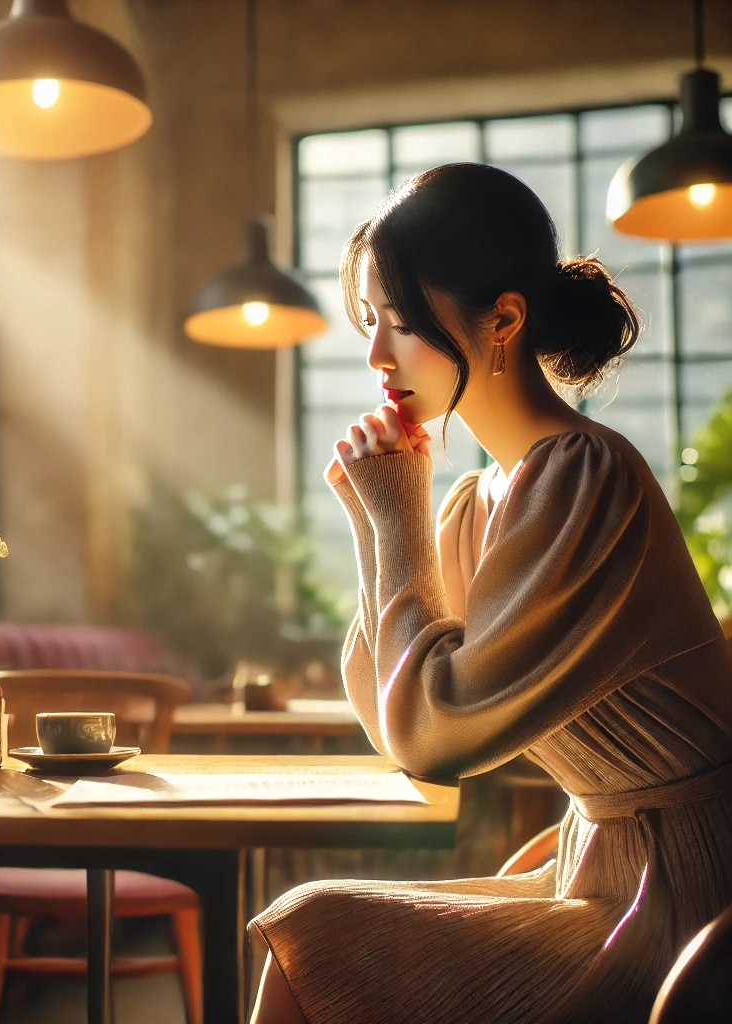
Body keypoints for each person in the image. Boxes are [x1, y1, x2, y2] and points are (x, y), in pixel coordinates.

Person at [248, 162, 732, 1024]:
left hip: (688, 893)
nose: (374, 356)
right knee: (312, 936)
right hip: (599, 868)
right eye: (371, 323)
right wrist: (376, 518)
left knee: (314, 933)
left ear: (502, 319)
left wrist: (397, 517)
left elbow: (436, 740)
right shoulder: (483, 497)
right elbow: (393, 723)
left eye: (400, 324)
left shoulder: (587, 477)